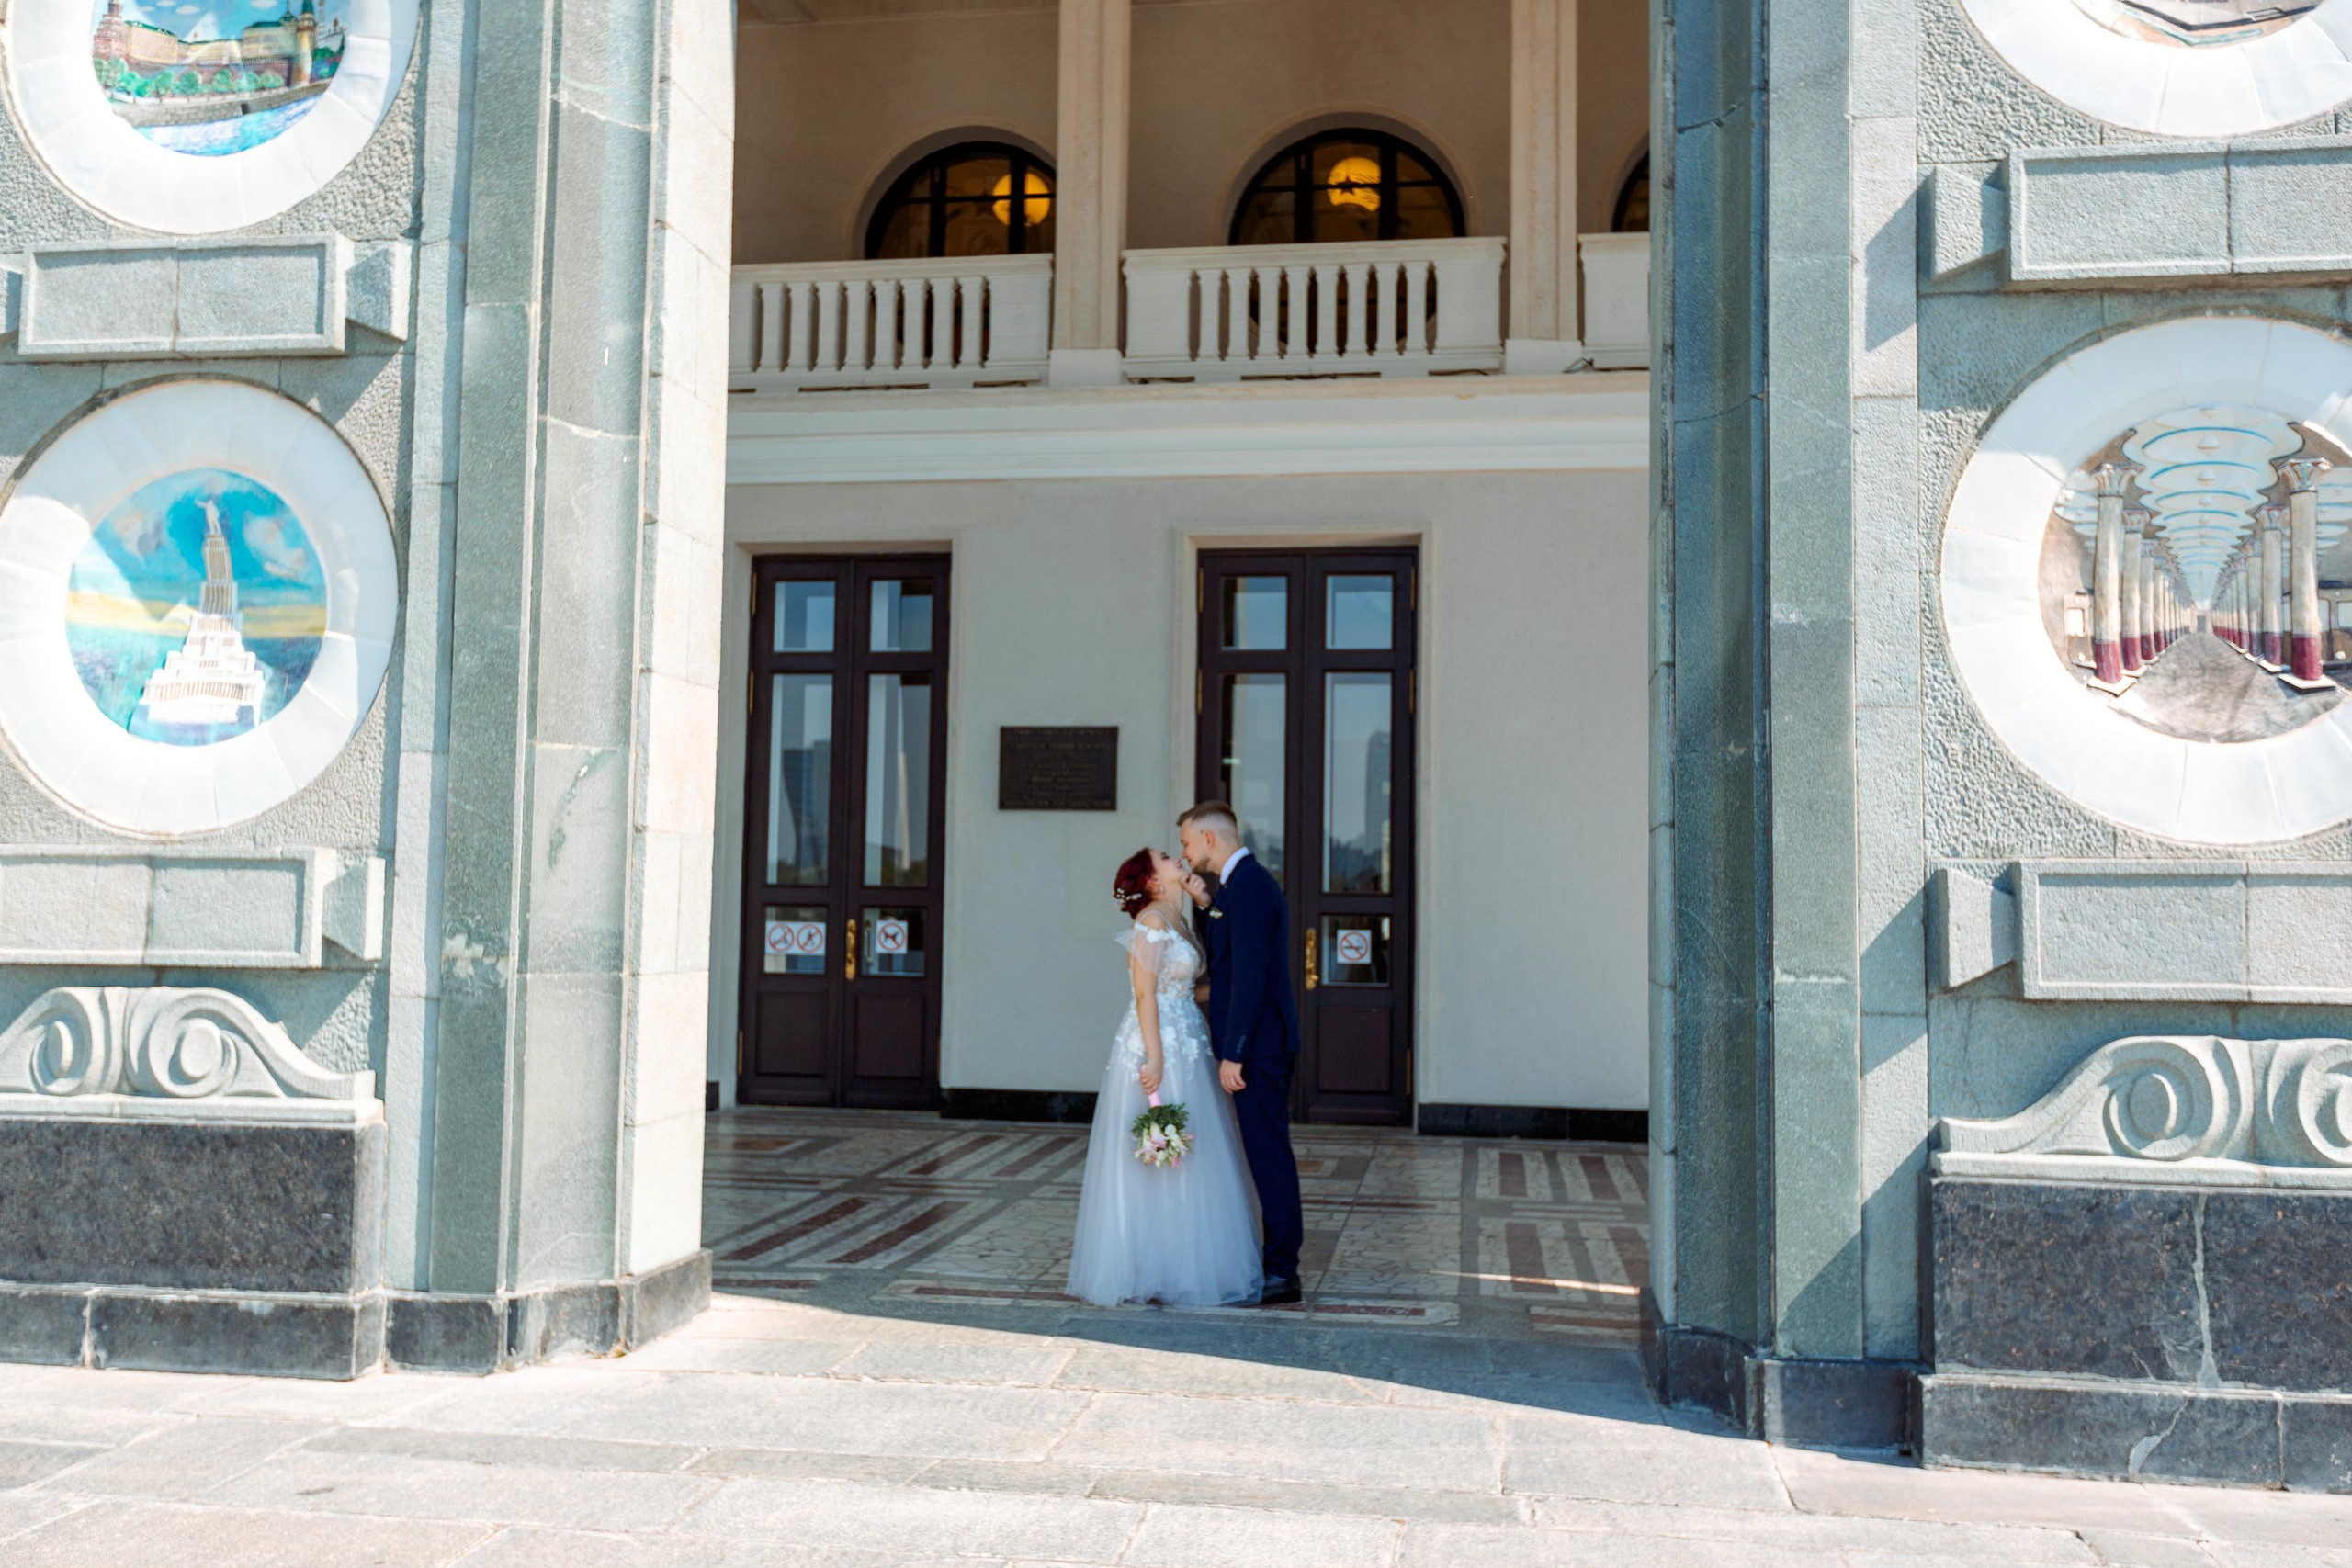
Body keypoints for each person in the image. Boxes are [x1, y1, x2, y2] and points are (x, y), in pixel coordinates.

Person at [1065, 847, 1264, 1308]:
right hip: (1158, 1042)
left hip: (1188, 1039)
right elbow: (1144, 993)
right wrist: (1154, 1058)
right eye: (1167, 858)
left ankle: (1181, 1262)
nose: (1178, 859)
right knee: (1157, 1155)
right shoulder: (1152, 922)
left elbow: (1198, 985)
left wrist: (1203, 908)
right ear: (1153, 881)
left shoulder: (1179, 918)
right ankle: (1148, 1265)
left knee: (1191, 1152)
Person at [1177, 800, 1306, 1306]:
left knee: (1269, 1156)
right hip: (1259, 1043)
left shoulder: (1250, 885)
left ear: (1210, 838)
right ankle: (1277, 1264)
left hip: (1262, 1048)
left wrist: (1235, 1053)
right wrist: (1206, 906)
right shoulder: (1236, 887)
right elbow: (1230, 959)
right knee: (1262, 1153)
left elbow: (1250, 976)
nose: (1186, 854)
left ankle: (1283, 1272)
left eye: (1188, 842)